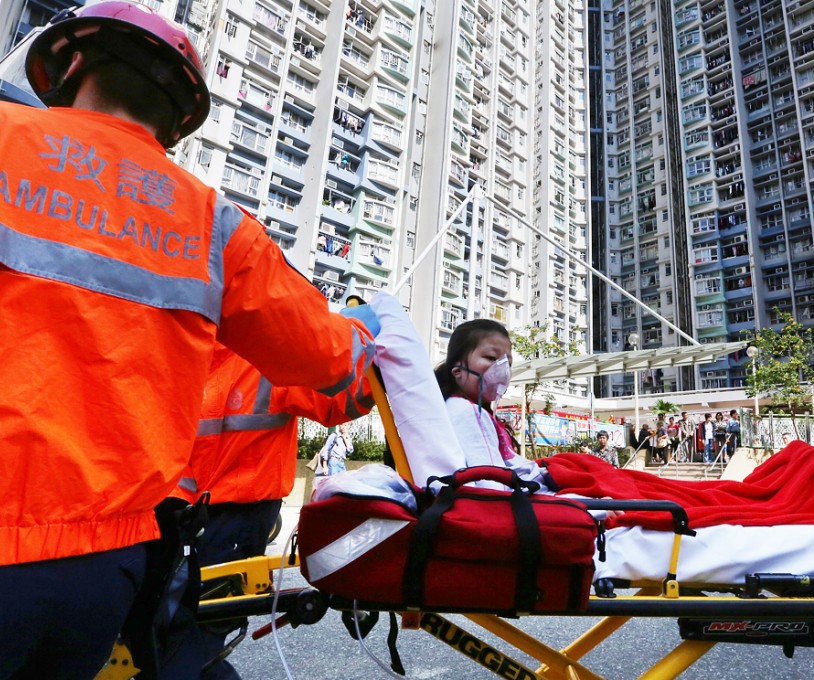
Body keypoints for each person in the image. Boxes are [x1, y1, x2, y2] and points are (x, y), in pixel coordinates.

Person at [0, 4, 377, 677]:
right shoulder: (215, 226)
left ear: (70, 64)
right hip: (101, 567)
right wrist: (371, 331)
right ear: (179, 119)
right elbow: (333, 359)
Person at [160, 343, 373, 678]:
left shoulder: (264, 356)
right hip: (181, 512)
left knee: (192, 631)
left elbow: (342, 398)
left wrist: (361, 342)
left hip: (236, 514)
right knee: (174, 628)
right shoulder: (189, 351)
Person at [434, 319, 545, 488]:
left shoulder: (469, 409)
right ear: (458, 370)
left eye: (507, 363)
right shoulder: (468, 411)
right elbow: (492, 484)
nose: (502, 369)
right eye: (491, 358)